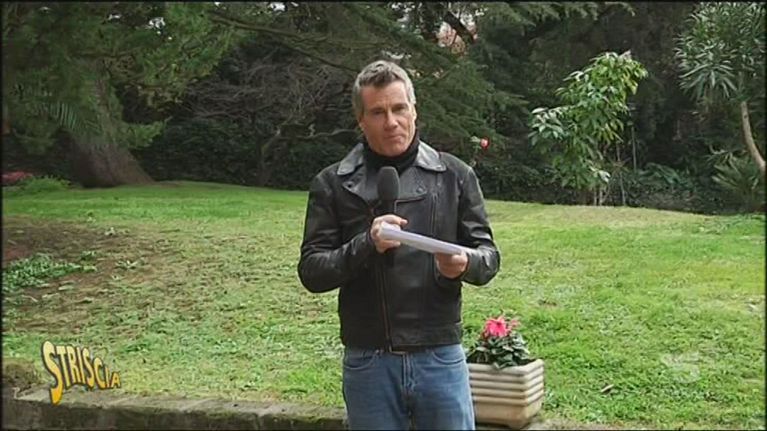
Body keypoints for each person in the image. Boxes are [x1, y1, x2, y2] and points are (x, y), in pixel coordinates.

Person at [297, 60, 500, 430]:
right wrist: (366, 244)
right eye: (378, 112)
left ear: (414, 110)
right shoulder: (333, 183)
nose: (391, 122)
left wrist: (465, 262)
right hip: (369, 360)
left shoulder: (454, 176)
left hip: (439, 355)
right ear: (361, 120)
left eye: (399, 108)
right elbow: (312, 271)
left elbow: (488, 257)